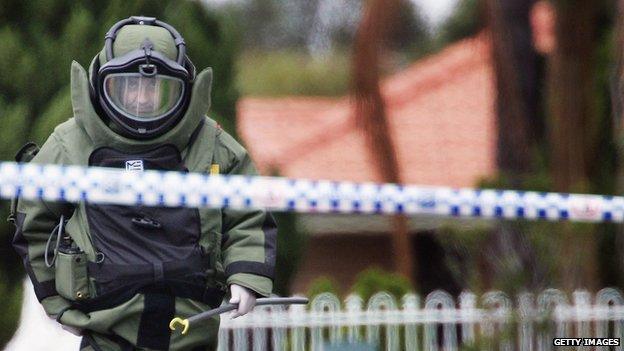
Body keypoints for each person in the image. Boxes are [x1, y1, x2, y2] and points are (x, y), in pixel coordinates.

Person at [11, 16, 277, 351]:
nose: (140, 99)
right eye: (127, 86)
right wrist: (57, 304)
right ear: (101, 84)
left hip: (192, 329)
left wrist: (246, 277)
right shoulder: (70, 144)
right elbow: (33, 223)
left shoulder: (211, 143)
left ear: (182, 91)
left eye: (156, 88)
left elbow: (248, 212)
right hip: (104, 329)